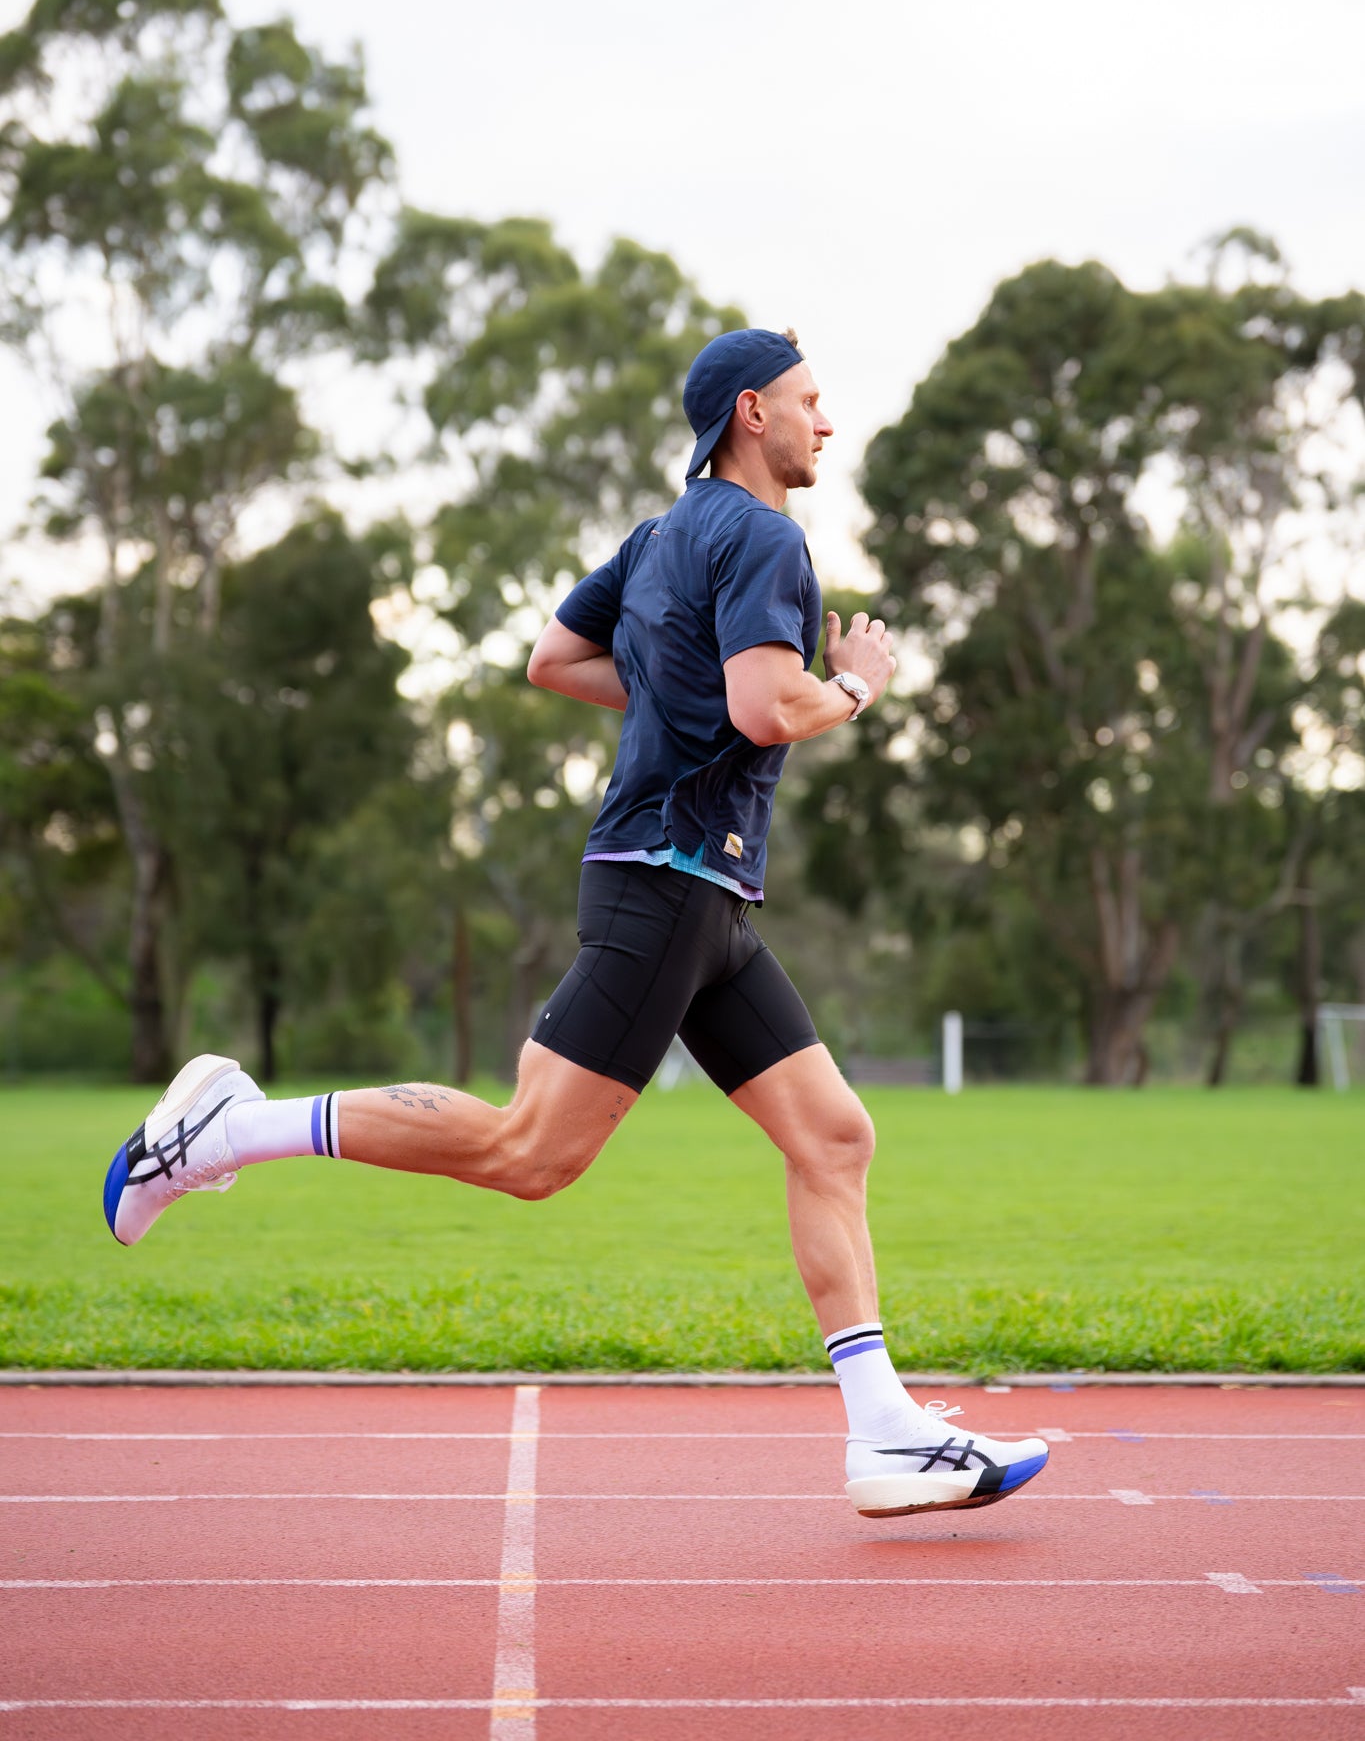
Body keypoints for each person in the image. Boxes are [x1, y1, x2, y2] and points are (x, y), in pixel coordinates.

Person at [102, 326, 1048, 1519]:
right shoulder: (764, 536)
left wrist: (679, 683)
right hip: (667, 880)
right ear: (750, 411)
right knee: (527, 1152)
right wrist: (858, 680)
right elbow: (766, 708)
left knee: (835, 1136)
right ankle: (226, 1129)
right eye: (812, 401)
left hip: (709, 897)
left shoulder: (657, 538)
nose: (827, 420)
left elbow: (556, 658)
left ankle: (883, 1433)